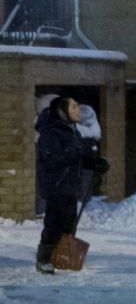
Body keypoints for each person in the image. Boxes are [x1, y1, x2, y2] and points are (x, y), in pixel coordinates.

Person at [35, 97, 109, 274]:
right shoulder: (50, 132)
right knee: (54, 223)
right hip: (56, 185)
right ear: (62, 111)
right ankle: (44, 259)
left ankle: (61, 256)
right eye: (74, 107)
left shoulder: (72, 131)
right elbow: (52, 157)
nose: (78, 111)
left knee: (69, 223)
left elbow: (79, 156)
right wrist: (76, 157)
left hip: (69, 185)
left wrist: (94, 163)